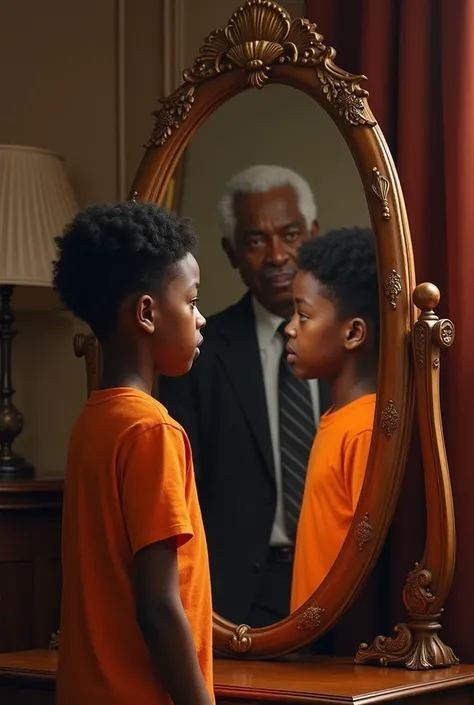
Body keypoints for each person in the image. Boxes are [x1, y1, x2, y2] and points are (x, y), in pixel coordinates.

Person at [52, 202, 213, 705]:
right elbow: (158, 607)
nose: (201, 317)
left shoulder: (92, 421)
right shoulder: (151, 430)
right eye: (191, 301)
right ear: (146, 313)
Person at [159, 165, 331, 627]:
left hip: (344, 582)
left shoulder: (357, 343)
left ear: (313, 235)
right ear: (231, 253)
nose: (277, 255)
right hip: (237, 600)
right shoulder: (199, 352)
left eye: (290, 234)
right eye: (256, 241)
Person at [287, 227, 379, 613]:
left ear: (353, 333)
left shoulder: (366, 430)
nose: (289, 328)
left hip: (338, 654)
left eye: (303, 316)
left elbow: (369, 566)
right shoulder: (339, 420)